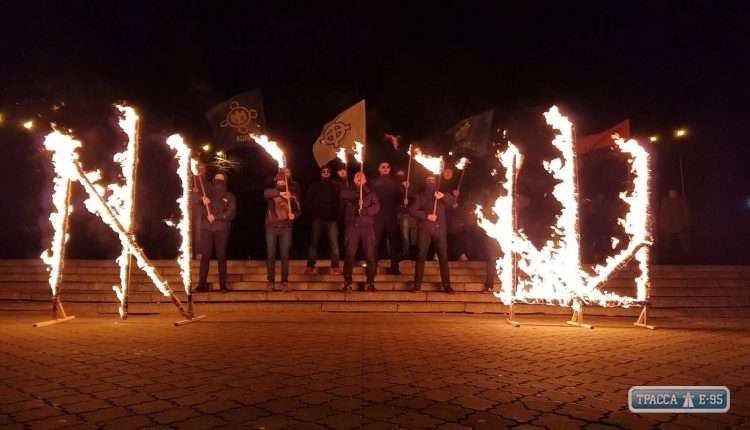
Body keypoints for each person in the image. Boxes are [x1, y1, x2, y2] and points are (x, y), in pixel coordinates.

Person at [409, 175, 456, 293]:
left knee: (443, 257)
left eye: (433, 180)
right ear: (425, 182)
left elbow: (452, 203)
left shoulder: (441, 194)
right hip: (425, 230)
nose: (431, 182)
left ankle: (446, 285)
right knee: (421, 256)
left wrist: (443, 197)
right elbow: (412, 210)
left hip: (440, 230)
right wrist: (426, 216)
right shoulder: (421, 196)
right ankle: (417, 285)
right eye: (428, 180)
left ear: (436, 182)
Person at [197, 172, 236, 292]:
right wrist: (201, 199)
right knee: (205, 257)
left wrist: (216, 217)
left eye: (221, 179)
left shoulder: (229, 196)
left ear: (225, 181)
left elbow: (231, 213)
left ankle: (223, 285)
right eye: (216, 179)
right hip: (206, 228)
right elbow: (194, 199)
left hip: (221, 229)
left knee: (221, 256)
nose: (218, 182)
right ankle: (201, 284)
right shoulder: (206, 194)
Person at [341, 172, 380, 291]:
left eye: (362, 176)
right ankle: (347, 282)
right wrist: (357, 195)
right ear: (353, 179)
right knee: (349, 254)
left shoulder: (371, 193)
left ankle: (370, 282)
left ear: (365, 180)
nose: (359, 177)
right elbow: (344, 196)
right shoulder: (348, 191)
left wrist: (365, 210)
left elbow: (377, 207)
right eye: (357, 176)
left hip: (367, 227)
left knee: (370, 255)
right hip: (352, 227)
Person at [264, 172, 302, 290]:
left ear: (286, 182)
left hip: (286, 228)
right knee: (271, 255)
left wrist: (294, 215)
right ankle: (271, 281)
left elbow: (299, 210)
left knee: (285, 255)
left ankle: (284, 281)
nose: (281, 182)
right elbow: (266, 193)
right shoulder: (272, 192)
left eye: (283, 181)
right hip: (271, 227)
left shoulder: (293, 194)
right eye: (278, 181)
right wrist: (280, 193)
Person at [305, 165, 341, 275]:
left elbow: (340, 202)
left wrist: (336, 215)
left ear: (330, 173)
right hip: (318, 219)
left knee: (334, 244)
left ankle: (335, 266)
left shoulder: (336, 186)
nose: (325, 173)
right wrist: (314, 213)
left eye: (327, 171)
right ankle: (310, 266)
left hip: (331, 219)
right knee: (313, 243)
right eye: (323, 171)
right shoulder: (314, 186)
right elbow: (308, 201)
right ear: (321, 173)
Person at [370, 161, 402, 274]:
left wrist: (403, 197)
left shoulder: (395, 183)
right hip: (377, 216)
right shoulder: (373, 183)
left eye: (388, 167)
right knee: (375, 242)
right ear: (379, 169)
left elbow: (400, 199)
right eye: (383, 167)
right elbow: (369, 198)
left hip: (391, 216)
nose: (385, 168)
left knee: (393, 242)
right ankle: (372, 267)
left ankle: (395, 267)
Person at [659, 189, 690, 263]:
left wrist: (686, 222)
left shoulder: (681, 201)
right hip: (668, 224)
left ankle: (688, 254)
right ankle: (665, 255)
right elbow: (662, 213)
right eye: (671, 192)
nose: (673, 194)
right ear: (669, 193)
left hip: (679, 224)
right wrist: (662, 223)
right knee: (667, 241)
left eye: (674, 192)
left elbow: (685, 212)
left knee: (683, 240)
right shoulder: (665, 201)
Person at [191, 160, 208, 259]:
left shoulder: (207, 182)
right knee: (197, 230)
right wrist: (198, 196)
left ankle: (205, 252)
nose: (201, 169)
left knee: (205, 231)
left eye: (203, 167)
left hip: (206, 209)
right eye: (199, 167)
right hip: (196, 209)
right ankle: (198, 252)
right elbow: (189, 196)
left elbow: (210, 193)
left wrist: (207, 199)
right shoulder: (191, 180)